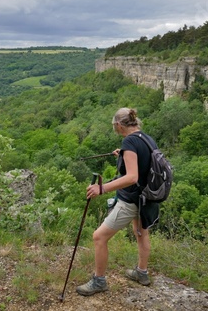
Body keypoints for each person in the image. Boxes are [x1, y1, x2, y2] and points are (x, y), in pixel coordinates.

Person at [76, 107, 160, 296]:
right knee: (141, 233)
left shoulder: (129, 142)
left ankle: (99, 281)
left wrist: (102, 188)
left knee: (99, 237)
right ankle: (142, 273)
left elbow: (131, 177)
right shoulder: (145, 138)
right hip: (147, 198)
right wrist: (123, 155)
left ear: (119, 125)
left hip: (131, 199)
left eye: (115, 125)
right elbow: (143, 162)